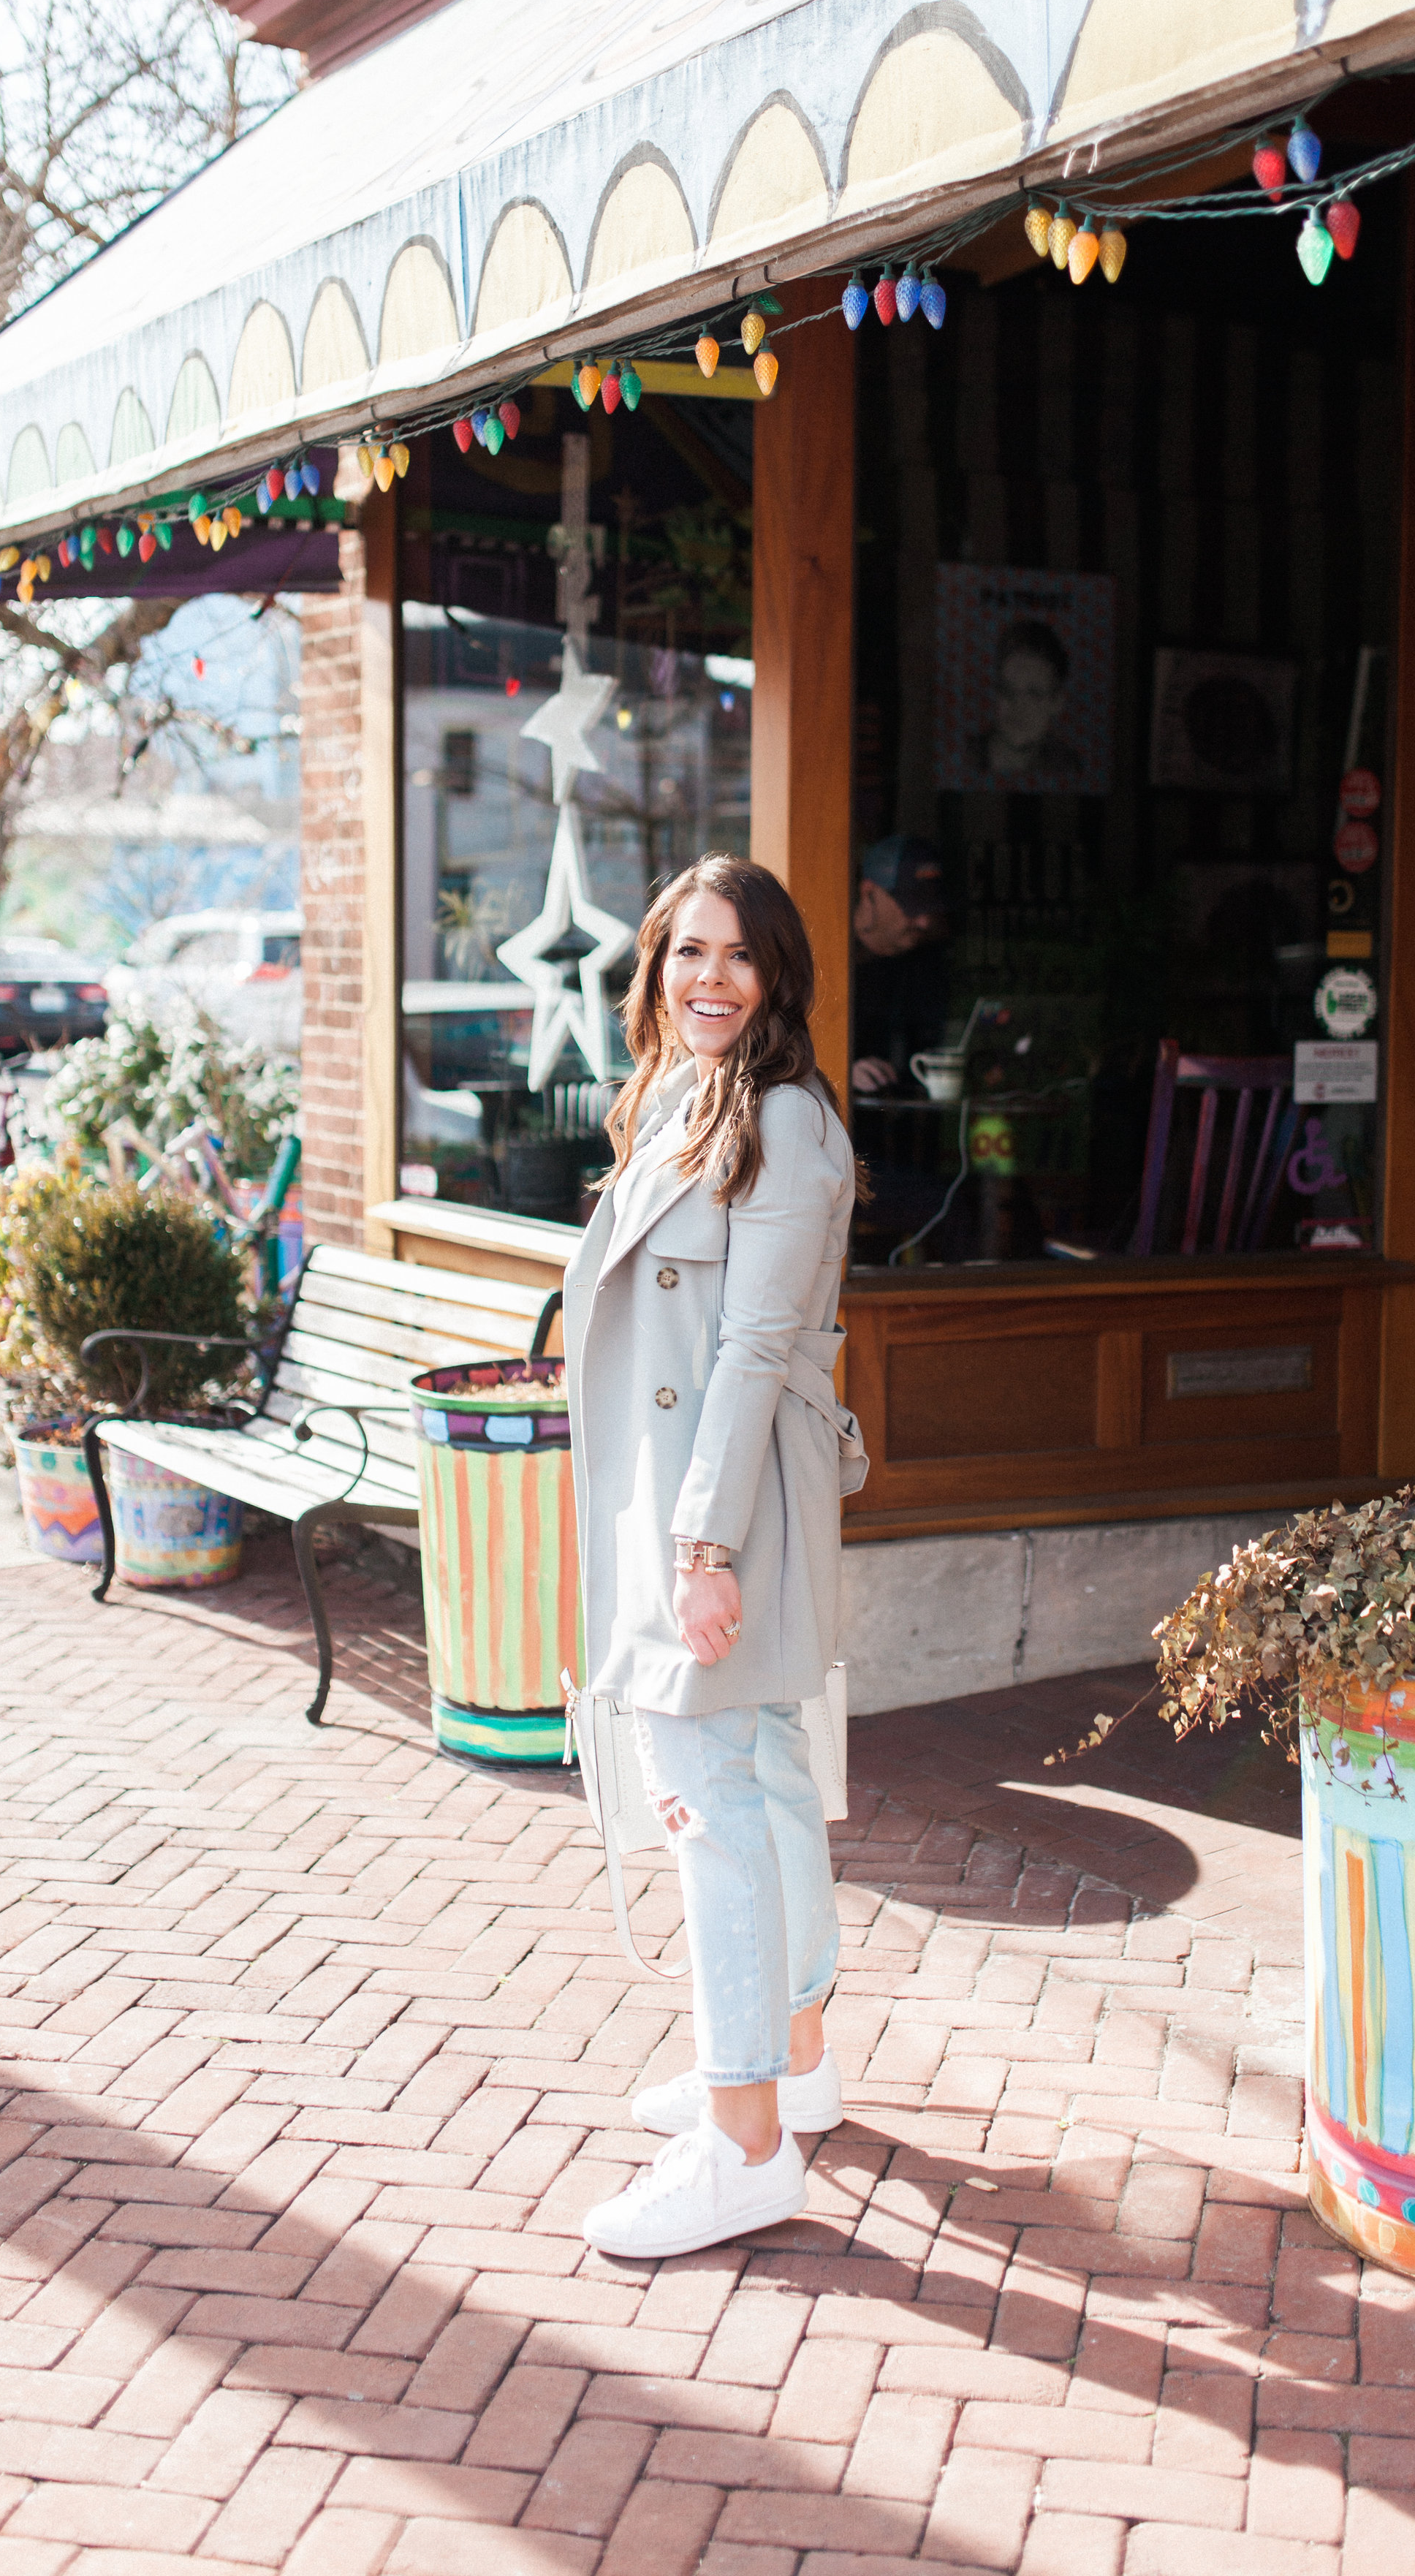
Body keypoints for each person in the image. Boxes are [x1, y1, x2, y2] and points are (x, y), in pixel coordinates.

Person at [566, 855, 860, 2259]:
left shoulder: (787, 1125)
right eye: (687, 952)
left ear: (778, 975)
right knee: (762, 1779)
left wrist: (701, 1544)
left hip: (723, 1504)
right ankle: (792, 2058)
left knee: (713, 1810)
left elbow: (749, 1349)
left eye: (737, 957)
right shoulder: (683, 1099)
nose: (709, 979)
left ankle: (744, 2140)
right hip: (688, 1485)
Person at [851, 832, 949, 1094]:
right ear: (869, 892)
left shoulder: (927, 964)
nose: (924, 922)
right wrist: (836, 1069)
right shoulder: (824, 958)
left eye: (929, 907)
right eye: (911, 905)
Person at [975, 615, 1080, 783]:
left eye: (1035, 695)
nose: (1018, 708)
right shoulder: (965, 756)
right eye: (1008, 691)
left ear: (1057, 702)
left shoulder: (1067, 766)